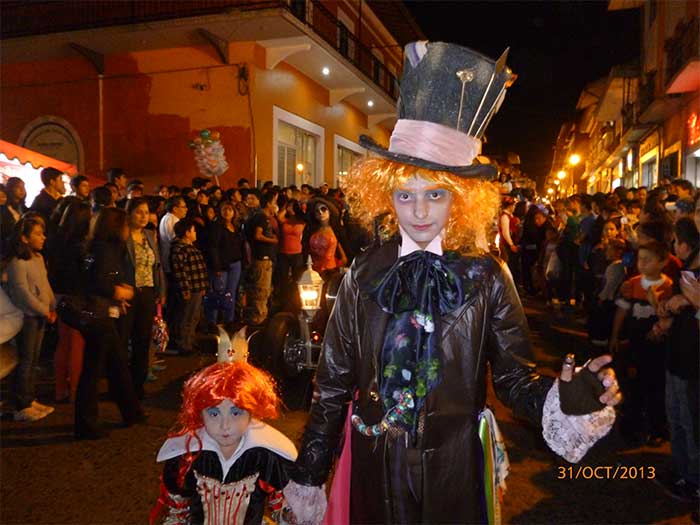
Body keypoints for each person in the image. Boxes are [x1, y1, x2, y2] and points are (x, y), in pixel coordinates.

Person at [284, 42, 621, 525]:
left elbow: (512, 377)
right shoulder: (362, 272)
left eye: (436, 194)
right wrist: (311, 470)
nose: (419, 211)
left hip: (455, 470)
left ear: (460, 199)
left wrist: (564, 399)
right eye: (406, 194)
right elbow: (333, 384)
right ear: (386, 195)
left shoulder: (486, 274)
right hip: (374, 469)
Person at [151, 361, 297, 524]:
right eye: (214, 413)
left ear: (251, 412)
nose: (225, 425)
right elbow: (177, 510)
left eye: (236, 412)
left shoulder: (264, 456)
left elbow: (280, 505)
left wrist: (290, 515)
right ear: (199, 413)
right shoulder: (188, 456)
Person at [76, 207, 145, 439]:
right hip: (98, 317)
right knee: (94, 371)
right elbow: (99, 282)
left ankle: (131, 412)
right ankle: (86, 423)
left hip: (103, 312)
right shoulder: (104, 249)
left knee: (117, 364)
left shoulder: (98, 247)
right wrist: (121, 293)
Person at [610, 241, 672, 446]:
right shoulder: (633, 283)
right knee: (632, 385)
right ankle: (631, 426)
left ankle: (657, 429)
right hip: (635, 345)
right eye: (640, 259)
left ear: (662, 262)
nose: (642, 264)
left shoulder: (668, 286)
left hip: (657, 348)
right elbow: (622, 310)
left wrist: (655, 301)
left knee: (655, 388)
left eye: (648, 260)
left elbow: (668, 317)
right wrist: (615, 335)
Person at [5, 217, 56, 421]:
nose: (43, 237)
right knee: (25, 361)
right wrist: (44, 310)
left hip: (40, 316)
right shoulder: (17, 262)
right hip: (26, 317)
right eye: (37, 233)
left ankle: (29, 397)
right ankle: (20, 404)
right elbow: (22, 293)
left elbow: (45, 285)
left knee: (34, 359)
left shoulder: (38, 258)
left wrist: (52, 306)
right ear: (24, 238)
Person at [48, 201, 91, 403]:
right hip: (77, 297)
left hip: (59, 295)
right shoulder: (81, 246)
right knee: (77, 345)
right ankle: (75, 391)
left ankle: (60, 388)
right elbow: (85, 274)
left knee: (63, 343)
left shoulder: (56, 240)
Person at [123, 197, 165, 399]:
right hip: (128, 292)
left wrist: (161, 291)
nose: (143, 216)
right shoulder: (122, 236)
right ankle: (122, 384)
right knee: (123, 340)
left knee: (142, 339)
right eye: (138, 212)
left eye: (146, 212)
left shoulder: (149, 235)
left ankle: (138, 384)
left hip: (147, 292)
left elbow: (157, 266)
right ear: (129, 213)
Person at [169, 219, 208, 355]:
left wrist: (202, 286)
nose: (195, 233)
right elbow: (180, 271)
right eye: (193, 230)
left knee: (194, 316)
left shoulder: (191, 247)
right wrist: (185, 289)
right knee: (186, 316)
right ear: (187, 233)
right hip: (189, 289)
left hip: (197, 287)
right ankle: (184, 345)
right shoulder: (179, 249)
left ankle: (190, 341)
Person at [204, 202, 244, 328]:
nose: (227, 212)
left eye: (230, 210)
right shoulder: (216, 227)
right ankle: (213, 323)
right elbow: (213, 248)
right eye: (224, 210)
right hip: (221, 265)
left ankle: (229, 320)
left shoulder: (236, 227)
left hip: (235, 264)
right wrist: (216, 266)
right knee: (217, 293)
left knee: (231, 293)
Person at [245, 193, 278, 325]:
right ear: (268, 204)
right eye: (274, 202)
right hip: (262, 259)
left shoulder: (261, 217)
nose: (275, 206)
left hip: (263, 258)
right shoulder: (261, 218)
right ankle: (258, 319)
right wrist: (272, 240)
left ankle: (261, 316)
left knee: (263, 289)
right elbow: (257, 235)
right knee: (261, 290)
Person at [307, 198, 347, 282]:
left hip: (329, 271)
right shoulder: (311, 229)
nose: (320, 213)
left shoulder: (337, 230)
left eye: (323, 209)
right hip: (313, 270)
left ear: (329, 211)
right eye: (317, 211)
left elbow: (343, 252)